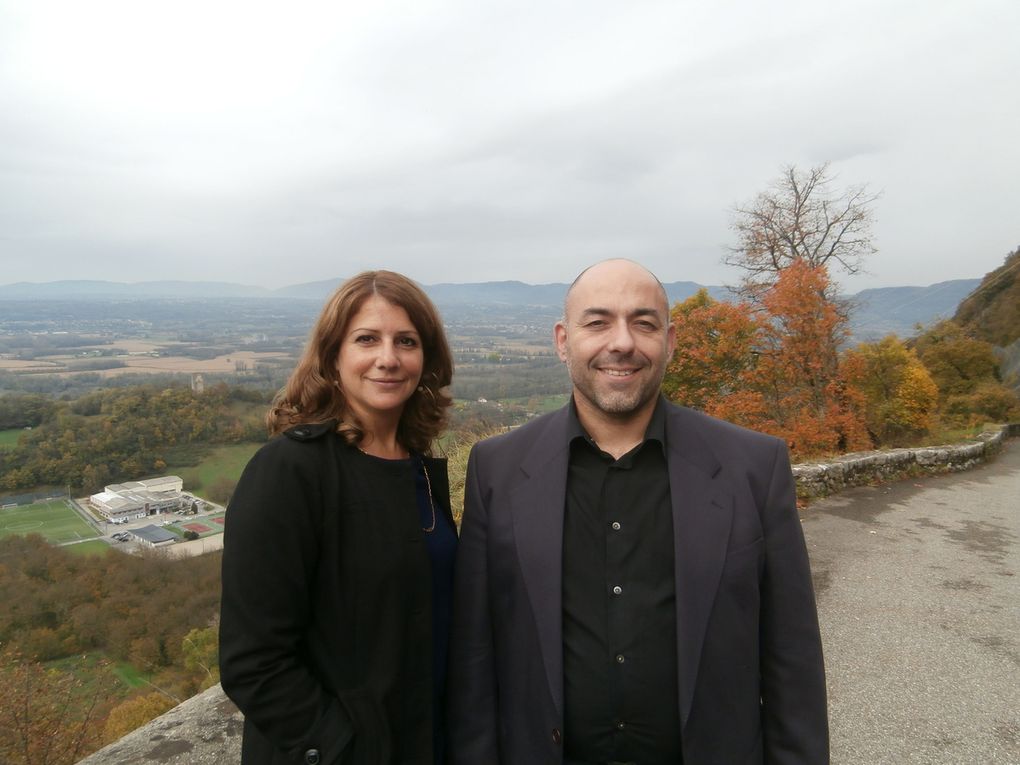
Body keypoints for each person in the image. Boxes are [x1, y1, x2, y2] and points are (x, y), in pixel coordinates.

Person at [448, 259, 828, 764]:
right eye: (598, 322)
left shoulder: (755, 468)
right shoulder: (496, 469)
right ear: (563, 341)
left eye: (644, 323)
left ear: (669, 343)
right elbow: (476, 658)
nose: (622, 342)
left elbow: (792, 659)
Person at [220, 270, 457, 765]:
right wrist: (342, 746)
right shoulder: (290, 471)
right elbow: (253, 662)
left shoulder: (418, 467)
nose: (387, 358)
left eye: (406, 341)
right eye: (366, 339)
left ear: (426, 360)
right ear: (332, 357)